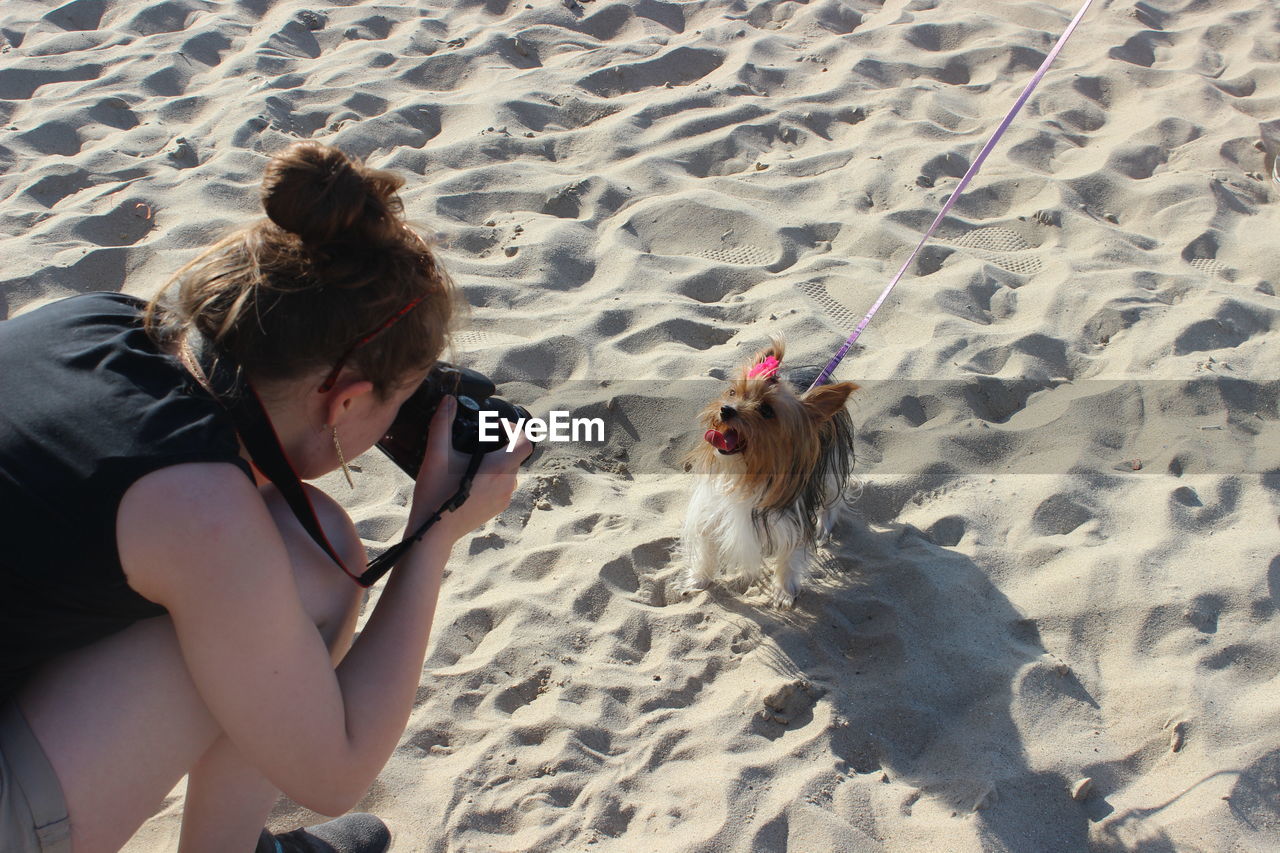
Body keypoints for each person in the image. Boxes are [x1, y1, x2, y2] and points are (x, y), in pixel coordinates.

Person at [0, 141, 531, 853]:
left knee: (307, 552)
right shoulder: (198, 509)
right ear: (343, 401)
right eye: (397, 402)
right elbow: (335, 771)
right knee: (305, 567)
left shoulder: (101, 320)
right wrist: (434, 534)